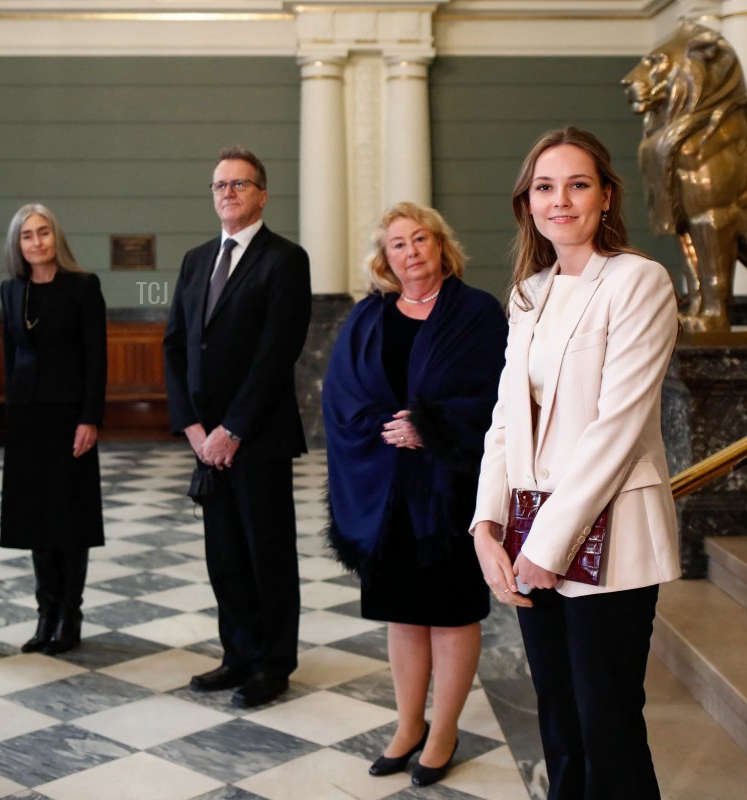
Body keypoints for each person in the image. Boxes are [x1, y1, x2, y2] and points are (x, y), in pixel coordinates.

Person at [472, 127, 680, 799]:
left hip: (608, 533)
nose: (560, 200)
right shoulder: (528, 293)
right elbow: (506, 420)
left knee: (606, 724)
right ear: (527, 203)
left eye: (577, 184)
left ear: (606, 196)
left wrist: (548, 546)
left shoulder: (637, 282)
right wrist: (486, 526)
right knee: (558, 723)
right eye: (544, 186)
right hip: (530, 529)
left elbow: (617, 427)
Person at [324, 202, 507, 786]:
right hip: (387, 492)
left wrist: (429, 426)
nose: (411, 251)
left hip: (450, 490)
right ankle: (408, 725)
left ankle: (445, 728)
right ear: (386, 258)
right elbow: (341, 395)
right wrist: (384, 429)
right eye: (398, 244)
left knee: (451, 613)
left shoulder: (476, 312)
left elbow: (496, 396)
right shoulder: (368, 317)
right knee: (402, 614)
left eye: (420, 238)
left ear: (440, 246)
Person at [163, 146, 312, 708]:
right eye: (220, 185)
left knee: (266, 551)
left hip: (258, 436)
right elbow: (176, 344)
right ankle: (238, 654)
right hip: (207, 440)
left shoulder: (285, 259)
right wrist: (194, 428)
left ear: (262, 194)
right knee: (223, 553)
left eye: (240, 184)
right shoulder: (196, 259)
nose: (227, 192)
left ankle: (273, 664)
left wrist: (233, 428)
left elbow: (277, 352)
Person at [0, 203, 107, 656]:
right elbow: (10, 355)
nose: (37, 242)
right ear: (18, 245)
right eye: (27, 236)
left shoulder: (82, 287)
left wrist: (90, 417)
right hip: (27, 418)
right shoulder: (11, 291)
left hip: (69, 416)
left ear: (55, 238)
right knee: (36, 520)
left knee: (69, 518)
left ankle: (70, 615)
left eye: (43, 233)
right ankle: (45, 613)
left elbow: (96, 358)